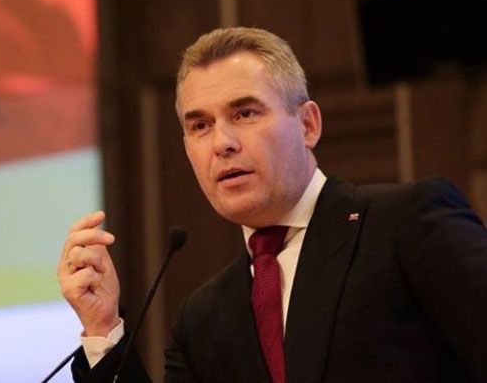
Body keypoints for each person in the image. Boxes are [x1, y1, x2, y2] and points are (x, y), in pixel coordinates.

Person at [57, 26, 487, 382]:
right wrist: (102, 327)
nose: (222, 143)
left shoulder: (405, 223)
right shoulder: (203, 318)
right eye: (200, 125)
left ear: (308, 125)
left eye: (244, 113)